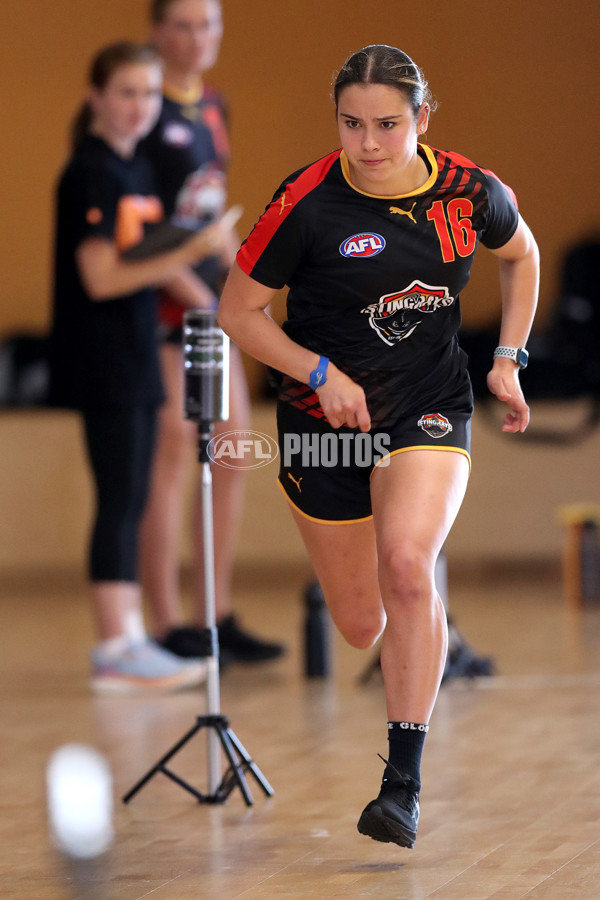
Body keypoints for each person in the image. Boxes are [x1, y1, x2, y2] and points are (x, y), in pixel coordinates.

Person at [218, 44, 539, 847]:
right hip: (321, 423)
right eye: (352, 124)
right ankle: (375, 593)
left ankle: (403, 784)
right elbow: (239, 312)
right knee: (360, 624)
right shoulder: (305, 201)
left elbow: (522, 254)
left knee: (407, 562)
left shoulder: (470, 190)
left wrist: (507, 359)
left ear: (423, 120)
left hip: (428, 404)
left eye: (387, 125)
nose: (367, 144)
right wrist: (317, 369)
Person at [48, 41, 234, 692]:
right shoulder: (91, 172)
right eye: (126, 92)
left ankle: (126, 639)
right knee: (120, 497)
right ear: (97, 98)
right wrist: (196, 249)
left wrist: (204, 274)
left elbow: (146, 260)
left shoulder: (131, 171)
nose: (139, 107)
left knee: (128, 494)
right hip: (103, 355)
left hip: (132, 350)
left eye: (150, 95)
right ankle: (117, 642)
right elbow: (100, 278)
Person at [139, 0, 285, 665]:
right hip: (162, 310)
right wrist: (202, 296)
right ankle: (166, 623)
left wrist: (245, 280)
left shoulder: (215, 107)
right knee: (172, 453)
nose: (201, 38)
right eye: (186, 25)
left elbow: (211, 215)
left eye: (211, 24)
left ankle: (214, 616)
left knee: (231, 450)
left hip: (211, 306)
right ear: (158, 31)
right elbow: (139, 232)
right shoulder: (144, 109)